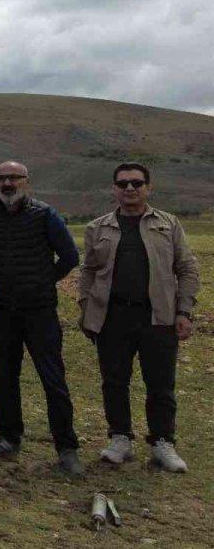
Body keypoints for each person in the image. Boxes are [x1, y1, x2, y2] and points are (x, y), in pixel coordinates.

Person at [78, 163, 200, 472]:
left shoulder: (168, 225)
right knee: (114, 381)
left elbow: (186, 268)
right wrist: (85, 307)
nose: (129, 188)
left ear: (148, 188)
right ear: (114, 189)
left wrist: (184, 311)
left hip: (158, 317)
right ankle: (120, 438)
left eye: (136, 183)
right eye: (123, 184)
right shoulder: (98, 228)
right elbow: (88, 271)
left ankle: (163, 443)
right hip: (112, 317)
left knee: (160, 384)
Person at [0, 161, 83, 475]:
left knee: (53, 379)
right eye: (2, 178)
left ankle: (66, 448)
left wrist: (42, 280)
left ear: (26, 181)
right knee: (5, 377)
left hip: (40, 312)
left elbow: (70, 256)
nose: (8, 183)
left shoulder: (45, 215)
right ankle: (8, 437)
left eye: (14, 178)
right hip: (2, 311)